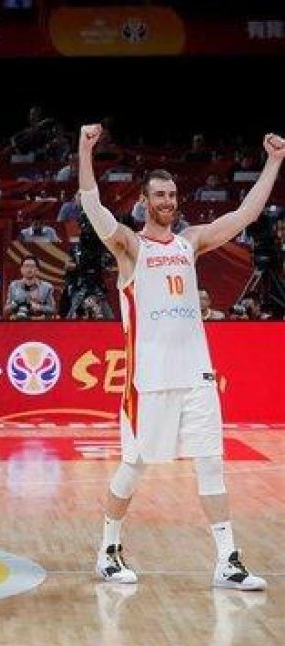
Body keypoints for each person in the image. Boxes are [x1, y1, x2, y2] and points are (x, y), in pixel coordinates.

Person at [79, 124, 284, 591]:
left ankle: (227, 559)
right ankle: (108, 549)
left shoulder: (191, 242)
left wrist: (273, 161)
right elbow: (92, 207)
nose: (168, 201)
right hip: (149, 379)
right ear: (145, 201)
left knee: (211, 461)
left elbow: (246, 213)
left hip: (197, 374)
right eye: (159, 195)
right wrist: (85, 148)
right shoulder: (131, 247)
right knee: (134, 465)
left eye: (172, 194)